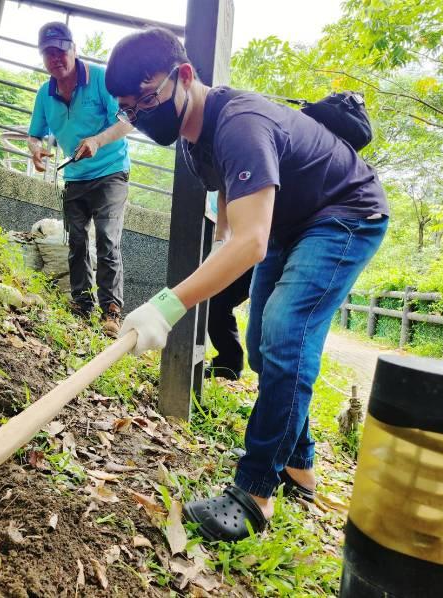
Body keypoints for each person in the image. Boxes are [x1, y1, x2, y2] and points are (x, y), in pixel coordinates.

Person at [105, 28, 388, 542]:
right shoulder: (194, 144)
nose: (142, 116)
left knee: (285, 331)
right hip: (289, 222)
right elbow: (233, 225)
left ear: (184, 76)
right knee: (259, 344)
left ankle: (255, 494)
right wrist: (211, 263)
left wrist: (166, 306)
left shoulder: (239, 123)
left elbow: (251, 243)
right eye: (130, 110)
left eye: (147, 99)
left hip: (347, 213)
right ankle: (300, 465)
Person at [28, 22, 133, 337]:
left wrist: (98, 141)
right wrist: (36, 151)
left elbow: (127, 120)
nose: (55, 59)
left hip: (111, 172)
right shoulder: (45, 94)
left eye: (60, 51)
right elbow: (35, 135)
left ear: (73, 49)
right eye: (48, 54)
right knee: (75, 241)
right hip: (75, 176)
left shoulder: (100, 79)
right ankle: (82, 303)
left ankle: (111, 311)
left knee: (106, 238)